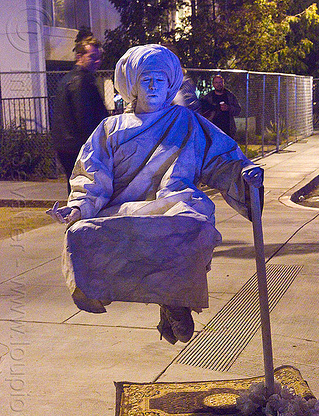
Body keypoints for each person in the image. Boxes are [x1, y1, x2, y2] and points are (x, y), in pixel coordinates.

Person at [47, 44, 263, 345]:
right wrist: (79, 207)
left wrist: (245, 174)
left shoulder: (185, 121)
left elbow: (222, 156)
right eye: (146, 79)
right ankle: (162, 298)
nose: (153, 85)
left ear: (170, 84)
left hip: (176, 204)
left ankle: (175, 302)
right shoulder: (112, 128)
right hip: (124, 209)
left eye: (160, 80)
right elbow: (92, 174)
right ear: (133, 83)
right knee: (82, 234)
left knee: (193, 226)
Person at [52, 33, 109, 194]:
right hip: (78, 145)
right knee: (83, 186)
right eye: (92, 57)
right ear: (79, 56)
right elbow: (84, 117)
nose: (97, 61)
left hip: (66, 144)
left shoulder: (68, 79)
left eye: (99, 57)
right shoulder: (82, 81)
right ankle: (77, 215)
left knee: (75, 184)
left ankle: (74, 214)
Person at [200, 74, 241, 138]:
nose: (218, 84)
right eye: (216, 82)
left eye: (220, 82)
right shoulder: (208, 97)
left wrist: (229, 108)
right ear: (213, 84)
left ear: (223, 83)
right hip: (213, 130)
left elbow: (238, 110)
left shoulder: (230, 96)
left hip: (228, 130)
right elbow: (202, 112)